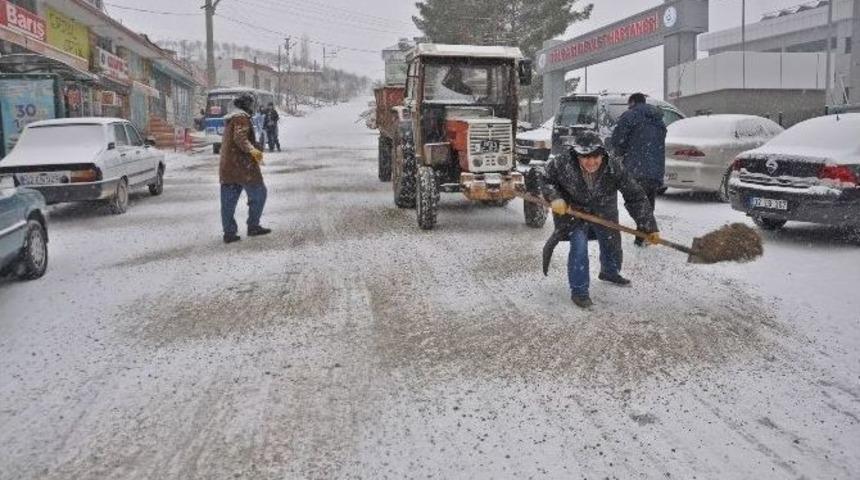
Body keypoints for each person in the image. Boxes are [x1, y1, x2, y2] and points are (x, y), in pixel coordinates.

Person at [542, 131, 660, 309]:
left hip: (604, 209)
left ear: (603, 153)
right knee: (579, 246)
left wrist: (648, 227)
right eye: (585, 157)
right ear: (577, 154)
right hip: (573, 212)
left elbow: (634, 195)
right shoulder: (562, 163)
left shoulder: (613, 166)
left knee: (610, 240)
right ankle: (579, 291)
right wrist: (555, 197)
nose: (591, 162)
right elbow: (544, 178)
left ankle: (609, 272)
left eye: (595, 156)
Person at [609, 92, 667, 246]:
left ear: (632, 102)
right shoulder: (658, 119)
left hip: (636, 167)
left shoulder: (630, 116)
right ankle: (642, 237)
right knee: (647, 200)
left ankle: (646, 232)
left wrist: (617, 155)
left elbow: (618, 140)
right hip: (655, 168)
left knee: (634, 200)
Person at [219, 93, 272, 244]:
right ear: (245, 105)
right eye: (251, 105)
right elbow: (240, 138)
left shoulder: (231, 119)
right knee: (259, 194)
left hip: (228, 168)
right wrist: (253, 150)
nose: (253, 108)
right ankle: (253, 226)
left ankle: (229, 233)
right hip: (244, 167)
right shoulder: (241, 118)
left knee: (228, 202)